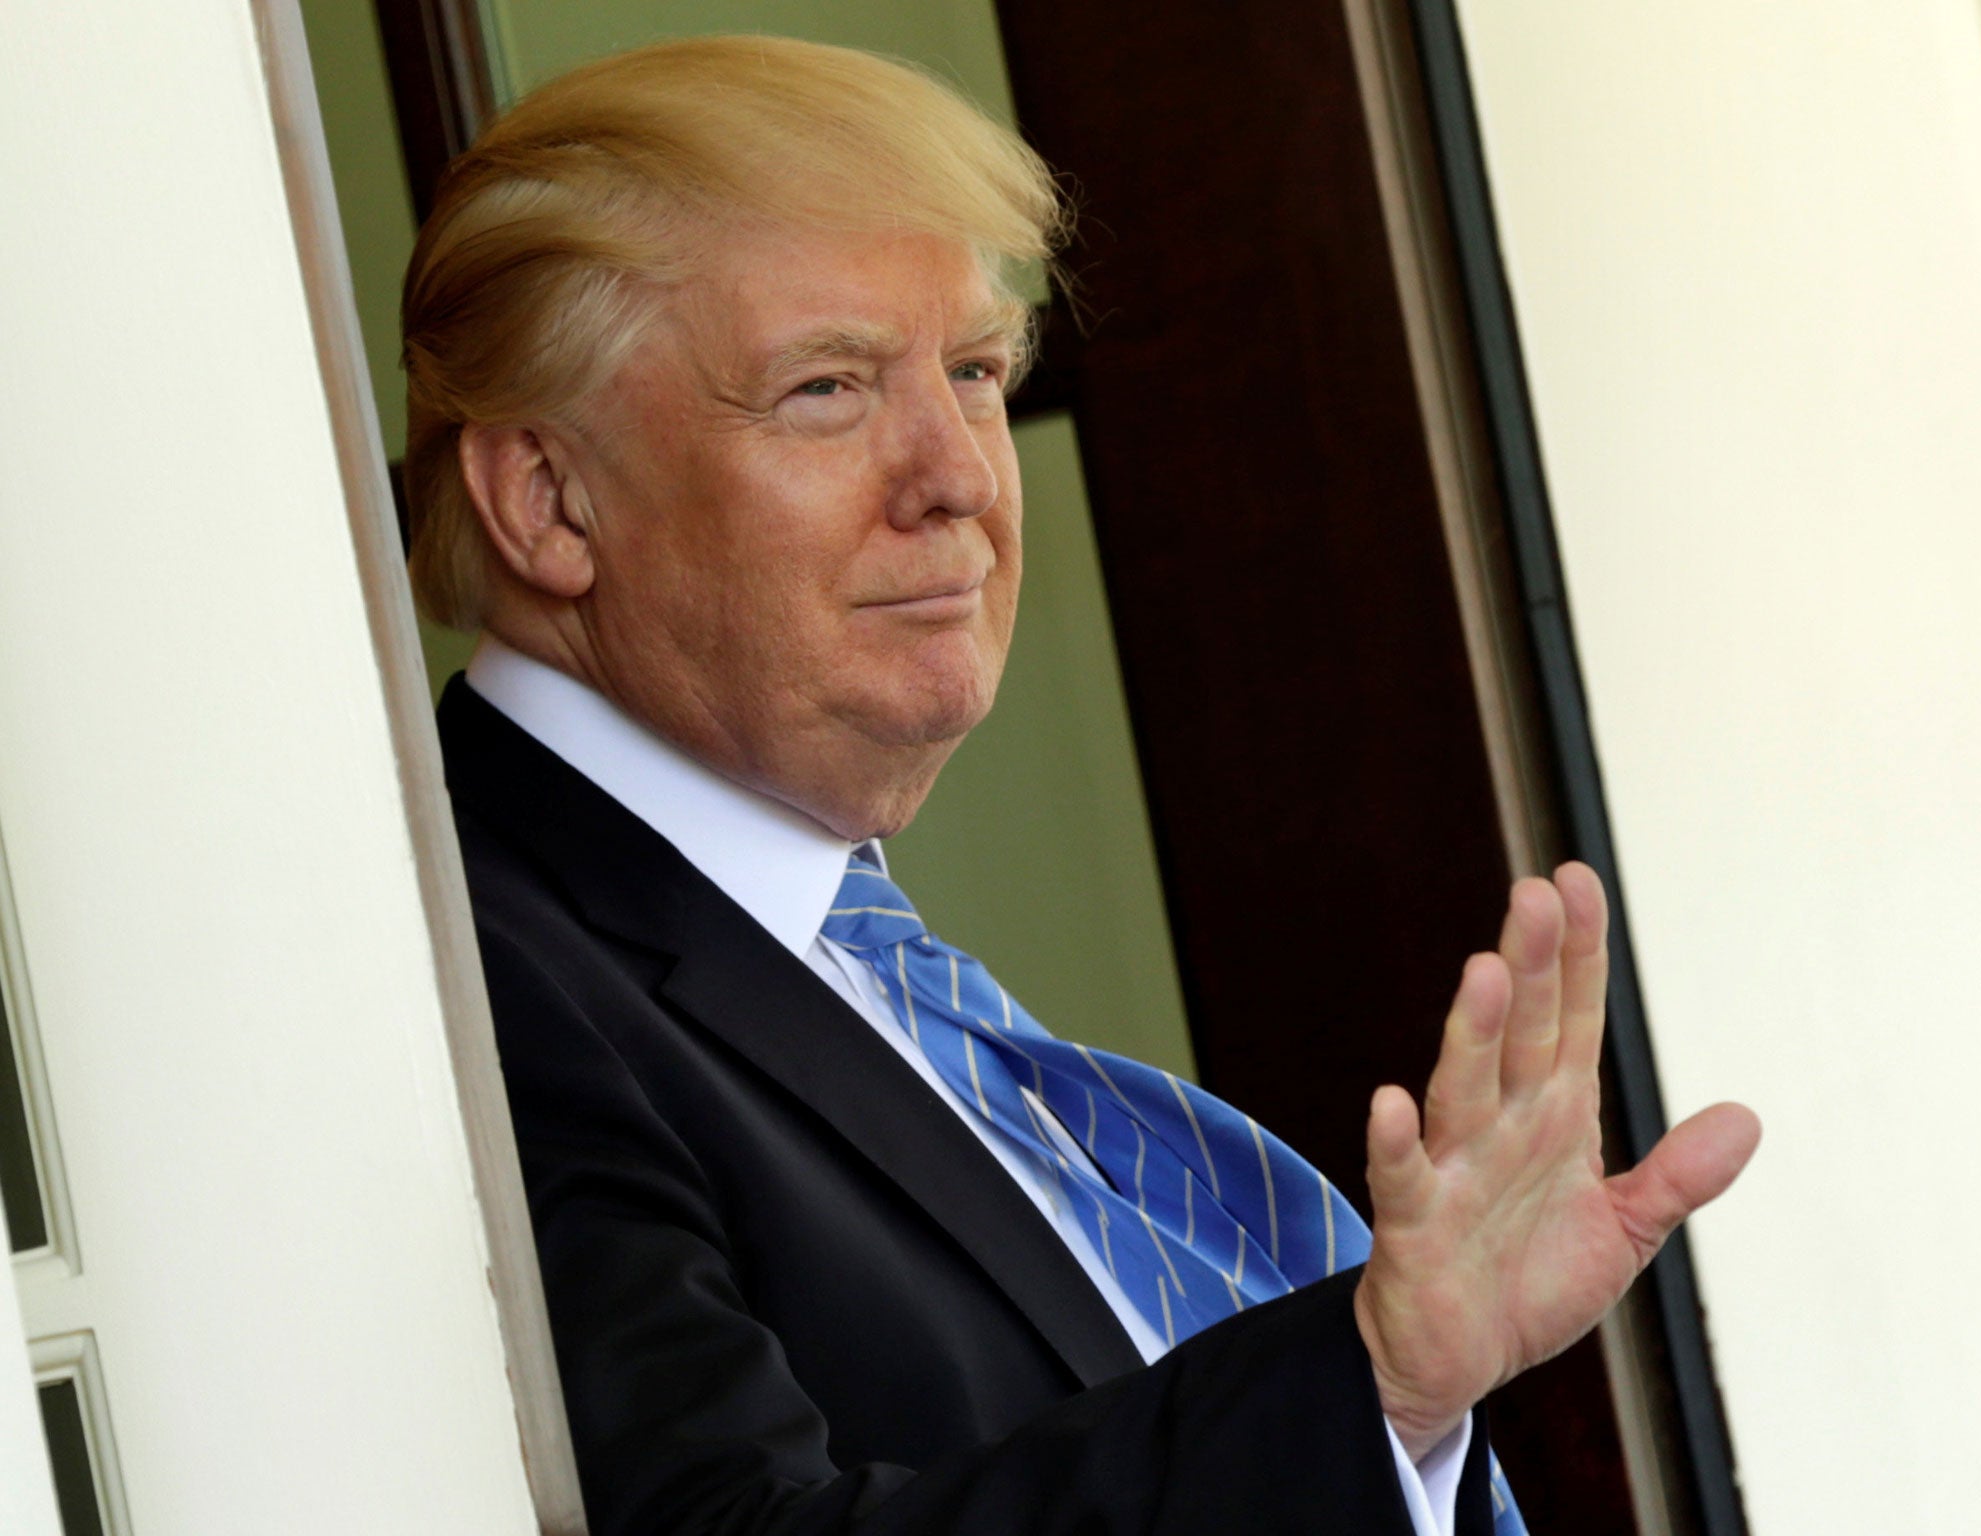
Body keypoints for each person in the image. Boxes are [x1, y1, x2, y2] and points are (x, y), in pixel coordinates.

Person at [401, 35, 1760, 1536]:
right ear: (547, 500)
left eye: (977, 371)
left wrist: (1388, 1413)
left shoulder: (849, 960)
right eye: (829, 388)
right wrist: (1366, 1387)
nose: (961, 476)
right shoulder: (453, 972)